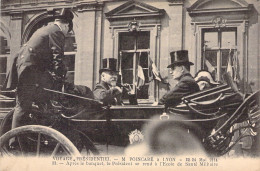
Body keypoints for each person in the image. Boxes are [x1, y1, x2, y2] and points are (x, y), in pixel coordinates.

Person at [2, 8, 74, 132]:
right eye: (68, 31)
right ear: (66, 25)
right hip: (29, 71)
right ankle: (14, 141)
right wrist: (60, 80)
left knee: (42, 100)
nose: (66, 33)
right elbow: (57, 57)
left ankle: (41, 129)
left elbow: (46, 57)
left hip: (30, 69)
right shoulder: (57, 31)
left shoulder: (44, 29)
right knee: (23, 106)